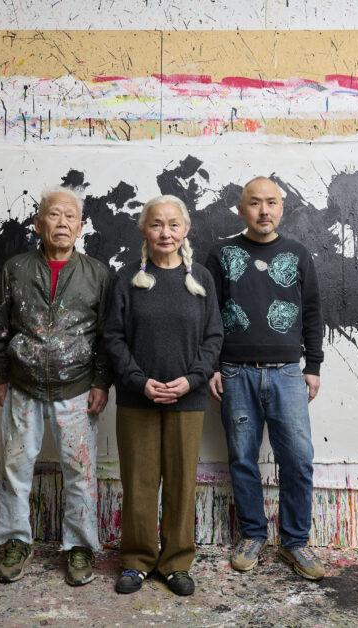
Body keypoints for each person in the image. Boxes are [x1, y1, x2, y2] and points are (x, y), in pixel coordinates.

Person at [0, 185, 111, 586]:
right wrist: (0, 375)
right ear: (38, 224)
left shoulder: (97, 274)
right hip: (22, 386)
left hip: (77, 388)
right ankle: (15, 541)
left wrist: (101, 382)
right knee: (15, 467)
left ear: (80, 226)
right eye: (54, 215)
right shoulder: (16, 269)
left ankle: (79, 546)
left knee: (80, 471)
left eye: (70, 216)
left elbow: (106, 335)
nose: (62, 223)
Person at [206, 177, 325, 581]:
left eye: (271, 202)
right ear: (241, 209)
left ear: (281, 207)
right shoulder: (221, 254)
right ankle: (252, 535)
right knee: (242, 458)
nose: (264, 211)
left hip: (288, 372)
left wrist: (313, 366)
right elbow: (209, 314)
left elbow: (312, 312)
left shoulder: (298, 254)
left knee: (298, 459)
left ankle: (295, 541)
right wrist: (213, 366)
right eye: (255, 203)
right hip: (235, 371)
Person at [104, 194, 223, 596]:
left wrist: (192, 380)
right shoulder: (127, 279)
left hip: (187, 400)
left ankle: (176, 563)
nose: (165, 232)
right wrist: (140, 381)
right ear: (144, 230)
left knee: (181, 482)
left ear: (186, 229)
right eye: (156, 224)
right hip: (138, 399)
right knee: (139, 482)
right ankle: (137, 561)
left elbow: (214, 336)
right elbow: (113, 337)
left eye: (173, 224)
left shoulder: (201, 279)